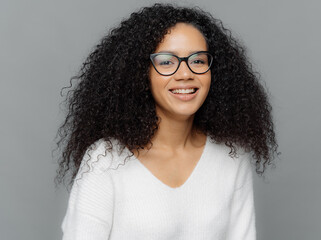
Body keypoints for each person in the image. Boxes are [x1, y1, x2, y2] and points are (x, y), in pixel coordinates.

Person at [55, 3, 279, 240]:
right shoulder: (105, 160)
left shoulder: (232, 157)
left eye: (198, 61)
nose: (185, 73)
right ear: (141, 73)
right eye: (166, 62)